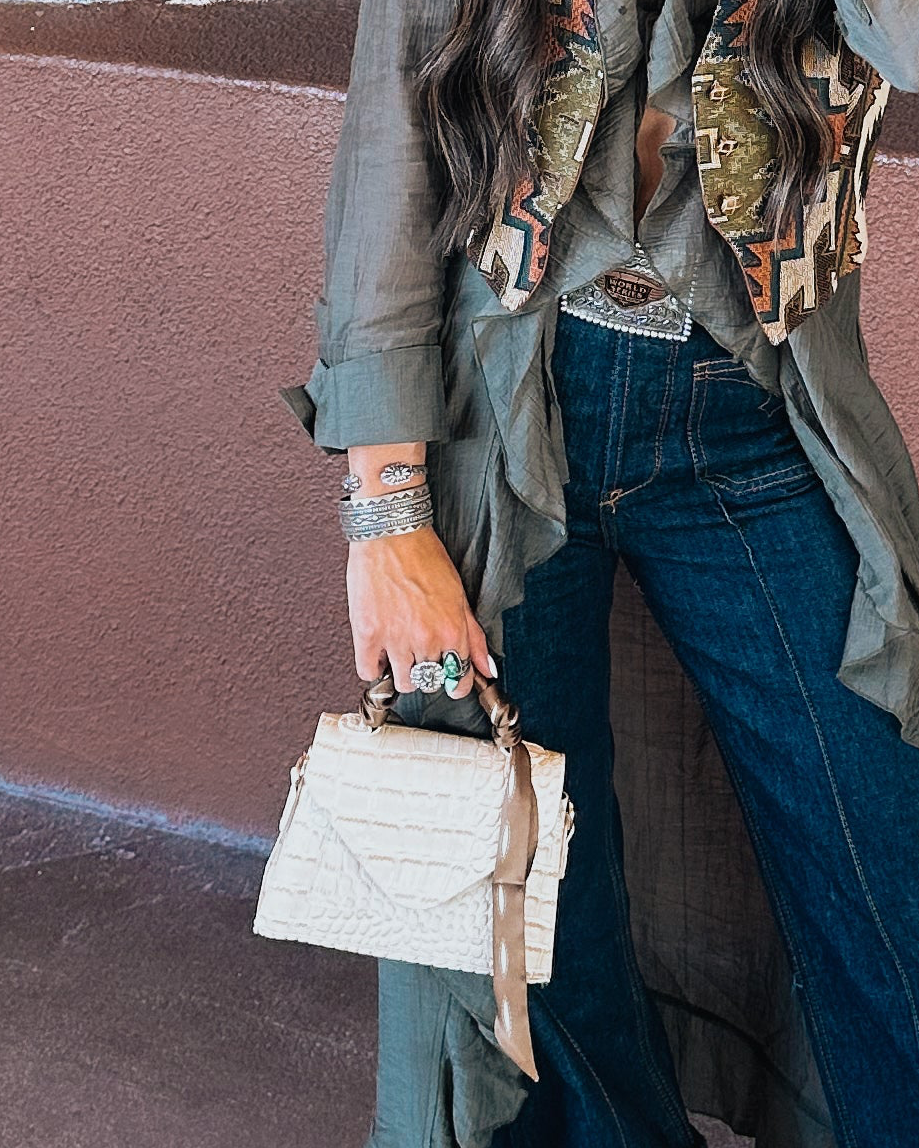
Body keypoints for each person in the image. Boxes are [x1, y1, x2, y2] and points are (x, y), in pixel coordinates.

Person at [281, 0, 919, 1144]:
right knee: (529, 896)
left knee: (882, 833)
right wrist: (386, 513)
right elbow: (392, 142)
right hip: (512, 405)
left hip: (755, 404)